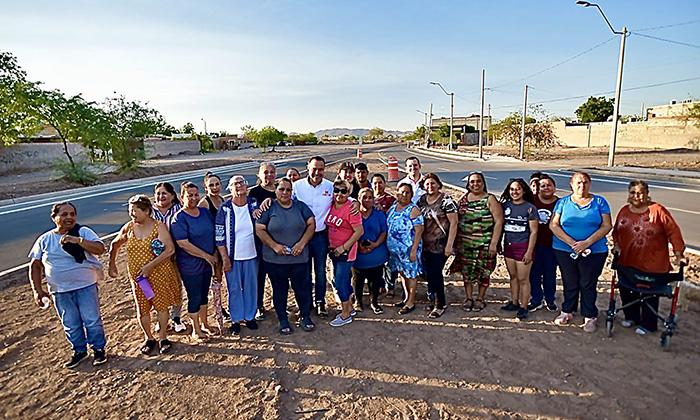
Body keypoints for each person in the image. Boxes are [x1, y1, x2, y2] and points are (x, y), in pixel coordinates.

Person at [28, 202, 108, 368]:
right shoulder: (45, 239)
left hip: (85, 285)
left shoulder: (83, 232)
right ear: (54, 218)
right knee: (70, 323)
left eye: (72, 214)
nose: (69, 218)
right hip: (59, 291)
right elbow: (35, 266)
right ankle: (79, 351)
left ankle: (98, 350)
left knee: (91, 320)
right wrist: (38, 291)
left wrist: (78, 241)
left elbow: (100, 248)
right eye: (64, 215)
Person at [612, 179, 688, 335]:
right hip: (628, 261)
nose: (636, 196)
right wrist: (617, 246)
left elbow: (673, 232)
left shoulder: (658, 210)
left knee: (649, 294)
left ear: (647, 194)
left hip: (653, 263)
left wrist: (679, 254)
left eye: (640, 193)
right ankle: (631, 317)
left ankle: (648, 324)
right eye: (633, 193)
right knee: (627, 290)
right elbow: (616, 232)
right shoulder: (624, 210)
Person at [109, 195, 180, 355]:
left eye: (135, 211)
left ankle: (163, 337)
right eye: (130, 211)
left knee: (161, 306)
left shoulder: (158, 227)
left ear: (147, 211)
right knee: (143, 308)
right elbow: (115, 244)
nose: (132, 214)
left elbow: (169, 249)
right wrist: (111, 264)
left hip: (158, 275)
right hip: (140, 280)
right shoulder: (129, 228)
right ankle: (149, 338)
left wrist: (150, 266)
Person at [550, 172, 612, 333]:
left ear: (590, 184)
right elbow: (554, 225)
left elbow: (606, 226)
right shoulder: (563, 202)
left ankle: (590, 315)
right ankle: (567, 311)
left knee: (587, 283)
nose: (581, 186)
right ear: (571, 184)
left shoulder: (599, 202)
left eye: (585, 182)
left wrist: (586, 243)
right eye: (578, 183)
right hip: (565, 250)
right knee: (569, 281)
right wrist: (572, 243)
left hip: (594, 251)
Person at [255, 177, 316, 334]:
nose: (285, 193)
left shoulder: (300, 207)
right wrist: (274, 246)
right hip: (275, 259)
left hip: (299, 258)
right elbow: (259, 228)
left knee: (302, 288)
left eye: (288, 190)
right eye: (281, 189)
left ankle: (305, 315)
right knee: (279, 290)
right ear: (276, 190)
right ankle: (283, 319)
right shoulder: (269, 208)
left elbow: (311, 224)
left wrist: (302, 243)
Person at [170, 182, 218, 342]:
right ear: (182, 197)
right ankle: (195, 330)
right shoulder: (179, 218)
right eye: (189, 195)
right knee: (195, 296)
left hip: (207, 263)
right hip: (191, 266)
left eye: (196, 194)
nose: (193, 198)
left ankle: (205, 324)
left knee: (204, 294)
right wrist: (206, 256)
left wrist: (215, 253)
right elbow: (183, 243)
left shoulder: (204, 212)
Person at [450, 172, 504, 312]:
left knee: (483, 273)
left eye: (478, 181)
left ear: (483, 182)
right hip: (465, 245)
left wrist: (494, 243)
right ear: (468, 184)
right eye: (472, 182)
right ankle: (468, 298)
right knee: (467, 273)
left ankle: (480, 298)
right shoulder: (464, 199)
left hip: (484, 245)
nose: (475, 184)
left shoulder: (490, 199)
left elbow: (499, 222)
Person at [216, 175, 259, 335]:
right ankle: (235, 318)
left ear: (247, 185)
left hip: (252, 254)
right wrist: (225, 258)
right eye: (235, 184)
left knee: (250, 287)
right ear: (230, 188)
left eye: (242, 182)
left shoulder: (254, 204)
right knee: (234, 288)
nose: (239, 186)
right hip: (233, 257)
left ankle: (250, 316)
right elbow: (219, 236)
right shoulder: (225, 208)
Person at [292, 156, 334, 318]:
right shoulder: (297, 186)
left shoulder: (330, 187)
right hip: (302, 237)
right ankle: (306, 302)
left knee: (320, 271)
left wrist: (355, 203)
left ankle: (320, 302)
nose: (317, 172)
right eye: (314, 169)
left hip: (321, 237)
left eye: (321, 169)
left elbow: (344, 199)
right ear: (308, 168)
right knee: (304, 271)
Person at [416, 173, 458, 319]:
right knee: (428, 273)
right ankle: (434, 299)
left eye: (433, 183)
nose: (430, 186)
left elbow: (454, 223)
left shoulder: (446, 200)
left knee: (435, 274)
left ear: (438, 184)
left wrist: (449, 245)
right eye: (427, 184)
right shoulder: (422, 200)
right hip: (425, 244)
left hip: (441, 245)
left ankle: (440, 304)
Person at [499, 179, 539, 321]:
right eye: (512, 189)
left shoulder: (530, 208)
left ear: (523, 191)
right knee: (513, 277)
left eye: (517, 189)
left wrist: (529, 251)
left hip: (523, 246)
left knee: (523, 279)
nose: (514, 192)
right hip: (509, 246)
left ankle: (524, 306)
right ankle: (514, 302)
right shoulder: (505, 206)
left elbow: (534, 232)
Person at [326, 179, 364, 326]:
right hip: (333, 251)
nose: (339, 194)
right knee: (339, 280)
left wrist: (344, 246)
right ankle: (349, 306)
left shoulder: (351, 208)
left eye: (343, 191)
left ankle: (345, 314)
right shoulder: (331, 205)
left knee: (340, 282)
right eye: (336, 190)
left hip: (345, 252)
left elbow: (359, 231)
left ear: (348, 193)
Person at [152, 182, 187, 333]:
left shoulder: (178, 210)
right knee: (158, 288)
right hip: (155, 257)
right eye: (158, 193)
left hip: (176, 255)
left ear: (172, 195)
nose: (161, 196)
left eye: (164, 193)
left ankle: (176, 317)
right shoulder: (149, 211)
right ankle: (161, 318)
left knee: (176, 286)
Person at [387, 183, 424, 314]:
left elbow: (419, 231)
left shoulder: (413, 210)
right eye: (402, 192)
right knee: (403, 274)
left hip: (409, 251)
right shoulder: (393, 207)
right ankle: (406, 297)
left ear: (411, 195)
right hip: (396, 252)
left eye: (407, 192)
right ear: (397, 193)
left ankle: (410, 301)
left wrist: (413, 250)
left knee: (412, 276)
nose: (404, 195)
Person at [248, 162, 278, 321]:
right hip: (259, 240)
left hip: (279, 239)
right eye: (265, 172)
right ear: (259, 175)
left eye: (272, 172)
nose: (269, 175)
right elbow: (250, 212)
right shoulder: (254, 193)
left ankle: (278, 302)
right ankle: (259, 305)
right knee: (259, 275)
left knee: (277, 274)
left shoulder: (281, 191)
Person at [197, 172, 227, 329]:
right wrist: (212, 249)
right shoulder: (204, 204)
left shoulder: (222, 200)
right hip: (210, 247)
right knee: (212, 279)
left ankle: (220, 306)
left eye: (217, 184)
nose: (215, 188)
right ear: (205, 187)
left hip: (222, 245)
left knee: (219, 278)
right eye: (211, 185)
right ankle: (213, 310)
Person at [353, 187, 389, 315]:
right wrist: (358, 246)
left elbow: (384, 231)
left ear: (374, 199)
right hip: (358, 253)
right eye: (364, 197)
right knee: (358, 279)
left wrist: (375, 245)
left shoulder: (379, 214)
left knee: (375, 280)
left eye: (370, 197)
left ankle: (374, 302)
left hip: (376, 252)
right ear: (359, 199)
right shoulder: (354, 213)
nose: (367, 200)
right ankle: (358, 301)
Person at [528, 174, 559, 313]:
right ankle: (536, 299)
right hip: (533, 244)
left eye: (549, 185)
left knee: (550, 273)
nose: (546, 188)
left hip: (552, 245)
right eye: (543, 186)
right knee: (533, 273)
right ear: (538, 188)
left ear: (554, 187)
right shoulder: (532, 201)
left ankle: (550, 299)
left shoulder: (560, 203)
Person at [372, 173, 397, 297]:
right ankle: (380, 285)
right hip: (373, 235)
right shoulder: (368, 198)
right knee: (377, 262)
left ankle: (390, 286)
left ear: (385, 183)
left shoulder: (391, 199)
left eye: (380, 182)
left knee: (389, 262)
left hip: (387, 235)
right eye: (375, 183)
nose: (378, 185)